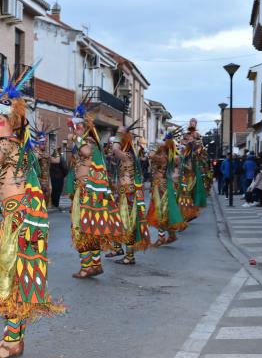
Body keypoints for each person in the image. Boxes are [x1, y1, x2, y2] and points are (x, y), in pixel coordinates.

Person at [0, 65, 64, 358]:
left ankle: (13, 342)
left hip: (23, 218)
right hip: (16, 217)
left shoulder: (10, 145)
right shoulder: (10, 144)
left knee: (14, 278)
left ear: (12, 124)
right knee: (12, 276)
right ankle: (12, 336)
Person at [65, 97, 125, 278]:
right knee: (91, 231)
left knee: (81, 230)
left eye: (76, 127)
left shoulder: (88, 142)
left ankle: (86, 267)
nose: (74, 130)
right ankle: (95, 265)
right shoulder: (90, 142)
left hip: (89, 194)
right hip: (87, 193)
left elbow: (86, 152)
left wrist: (75, 137)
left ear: (82, 127)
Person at [106, 123, 151, 265]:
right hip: (124, 193)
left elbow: (114, 149)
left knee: (128, 224)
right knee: (120, 222)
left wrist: (119, 133)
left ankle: (130, 256)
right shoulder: (127, 155)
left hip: (129, 195)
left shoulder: (127, 155)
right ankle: (119, 249)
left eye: (120, 137)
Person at [147, 135, 187, 246]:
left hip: (161, 185)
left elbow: (150, 155)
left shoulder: (163, 156)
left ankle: (161, 238)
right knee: (166, 210)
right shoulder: (171, 156)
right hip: (164, 184)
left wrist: (156, 147)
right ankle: (172, 235)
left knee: (160, 211)